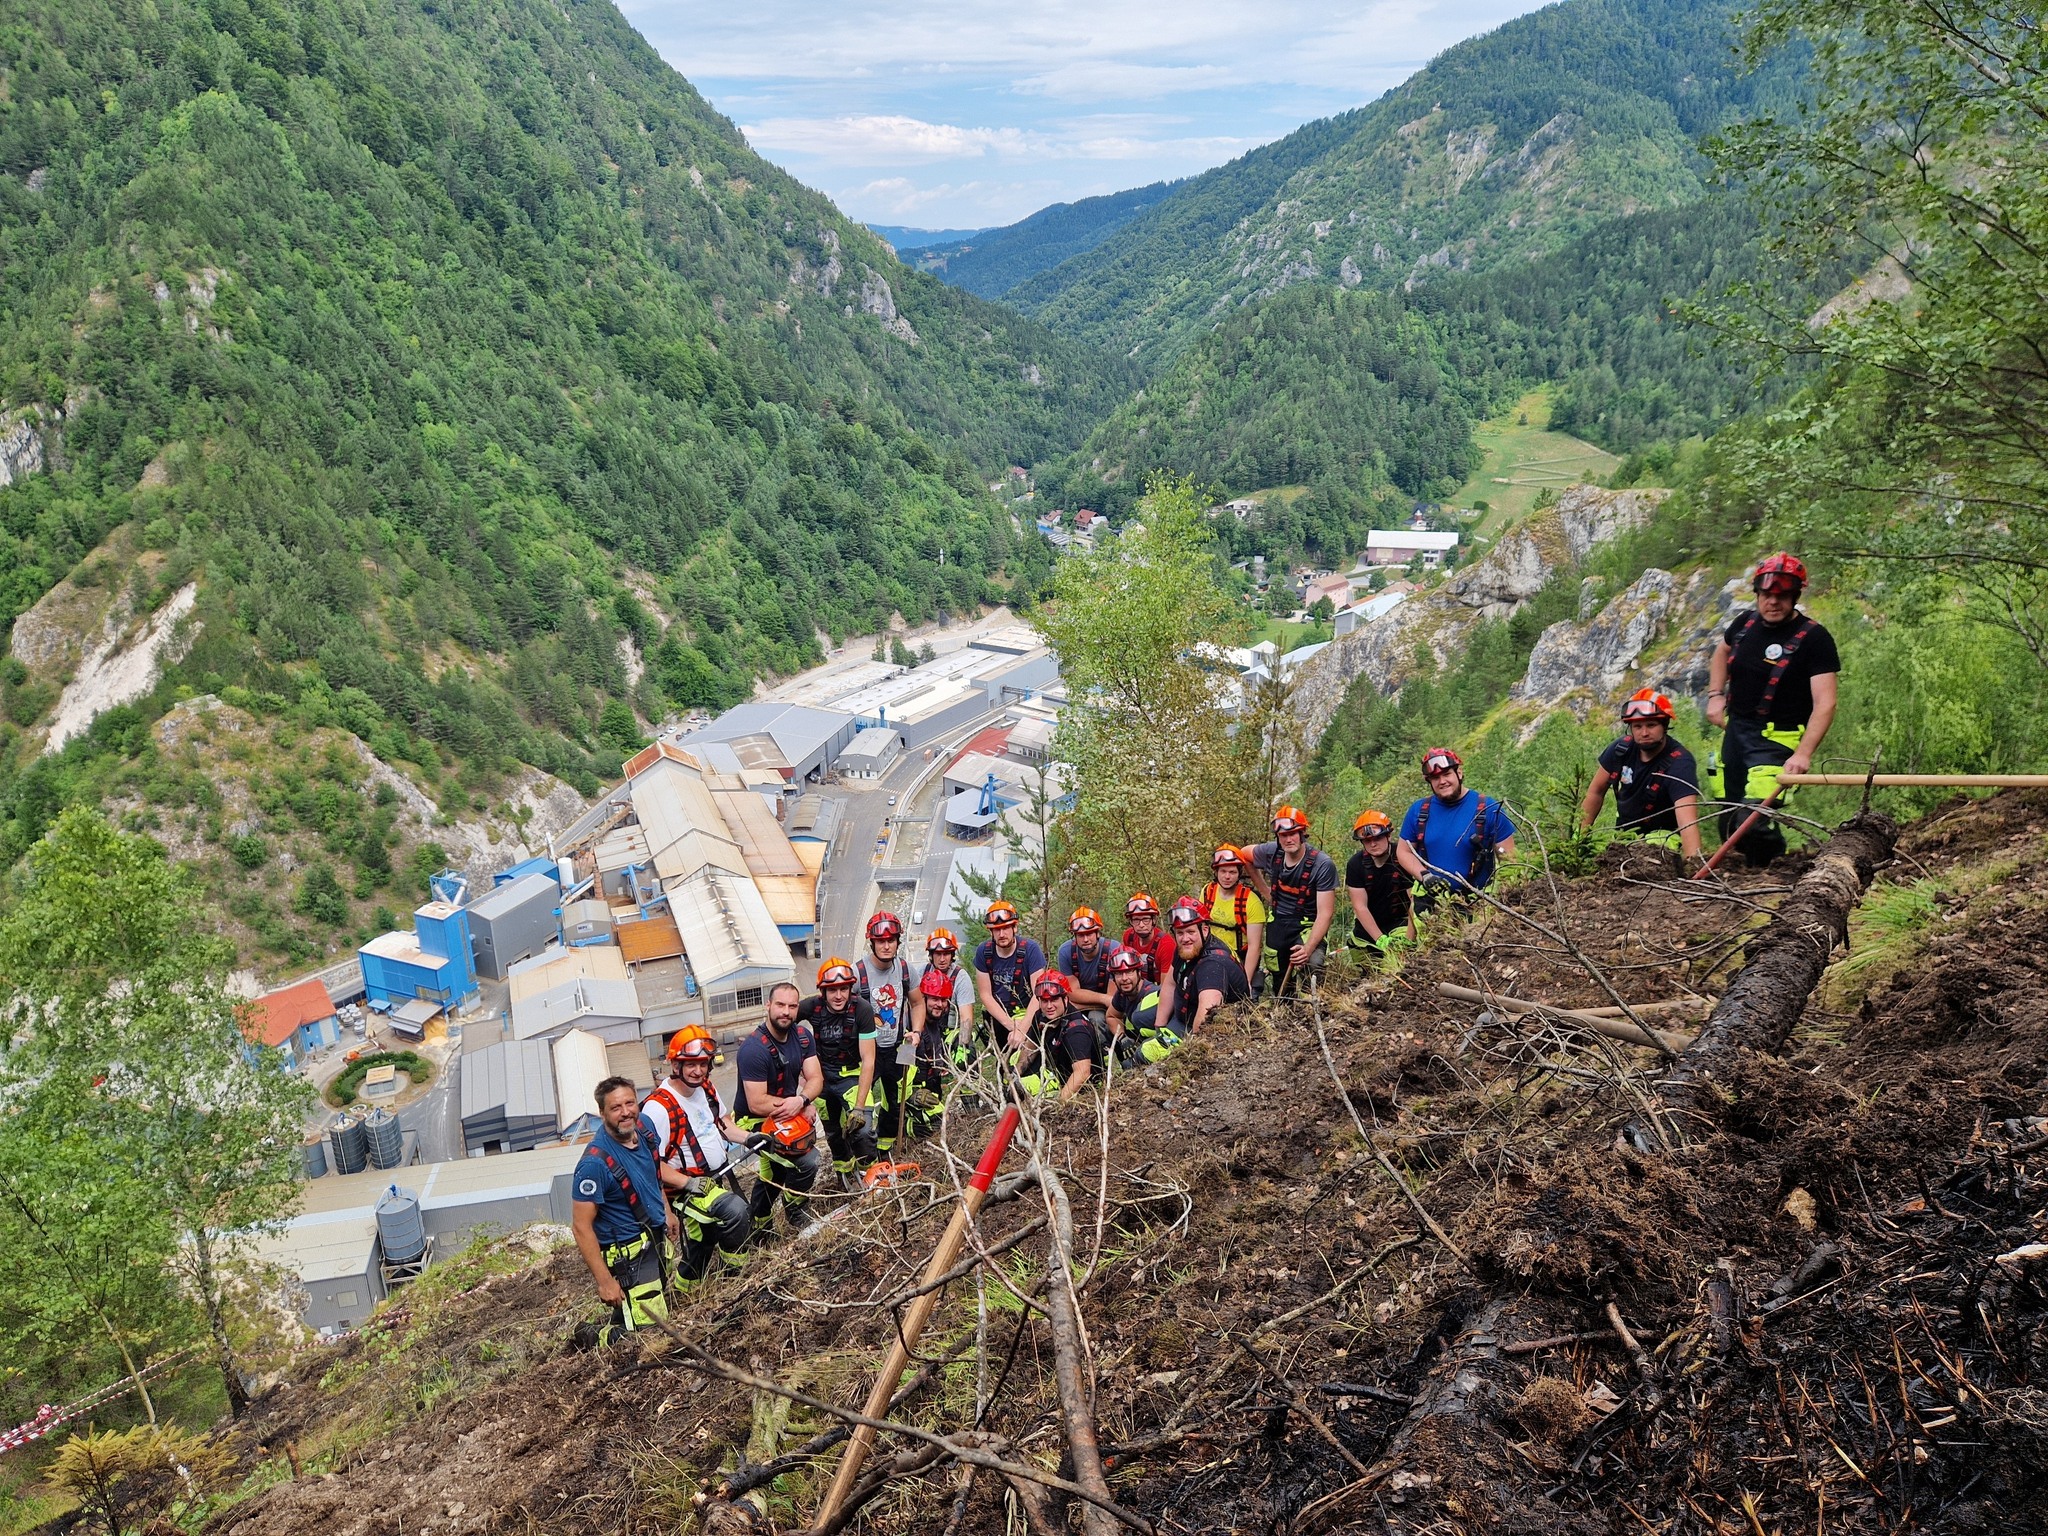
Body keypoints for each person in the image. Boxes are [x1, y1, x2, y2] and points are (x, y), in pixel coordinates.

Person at [1705, 553, 1840, 865]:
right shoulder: (1744, 624)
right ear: (1758, 594)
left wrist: (1803, 753)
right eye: (1767, 595)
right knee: (1728, 818)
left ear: (1795, 596)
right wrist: (1715, 695)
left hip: (1778, 739)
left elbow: (1826, 702)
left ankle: (1775, 870)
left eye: (1782, 596)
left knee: (1751, 820)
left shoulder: (1814, 638)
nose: (1774, 602)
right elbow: (1721, 653)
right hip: (1736, 731)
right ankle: (1743, 879)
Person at [640, 1027, 753, 1282]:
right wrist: (687, 1183)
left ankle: (700, 1284)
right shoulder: (658, 1108)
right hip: (687, 1190)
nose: (698, 1071)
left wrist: (749, 1137)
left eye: (703, 1064)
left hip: (714, 1179)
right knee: (735, 1213)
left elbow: (722, 1123)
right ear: (676, 1065)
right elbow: (651, 1163)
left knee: (706, 1241)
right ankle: (731, 1276)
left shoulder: (705, 1089)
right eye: (691, 1064)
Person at [571, 1077, 677, 1346]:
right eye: (616, 1107)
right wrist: (605, 1282)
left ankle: (623, 1316)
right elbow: (581, 1227)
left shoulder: (644, 1129)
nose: (626, 1111)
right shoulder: (594, 1164)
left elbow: (652, 1174)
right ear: (602, 1113)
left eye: (630, 1103)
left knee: (650, 1308)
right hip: (628, 1255)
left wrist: (666, 1210)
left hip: (653, 1239)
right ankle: (593, 1337)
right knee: (650, 1335)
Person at [733, 982, 825, 1237]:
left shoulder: (802, 1037)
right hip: (753, 1119)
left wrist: (804, 1099)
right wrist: (797, 1106)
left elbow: (815, 1078)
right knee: (806, 1160)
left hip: (786, 1110)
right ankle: (795, 1210)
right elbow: (757, 1102)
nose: (786, 1012)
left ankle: (760, 1224)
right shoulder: (754, 1050)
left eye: (792, 1006)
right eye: (780, 1005)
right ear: (768, 1006)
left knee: (775, 1172)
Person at [1580, 689, 1704, 861]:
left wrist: (1695, 863)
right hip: (1623, 840)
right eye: (1637, 726)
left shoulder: (1680, 762)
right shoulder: (1620, 750)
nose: (1644, 733)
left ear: (1665, 725)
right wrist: (1578, 840)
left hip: (1664, 844)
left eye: (1651, 725)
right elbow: (1595, 792)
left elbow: (1687, 821)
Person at [1396, 749, 1517, 907]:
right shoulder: (1418, 811)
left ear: (1459, 773)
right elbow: (1403, 851)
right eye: (1435, 778)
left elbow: (1510, 860)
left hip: (1479, 905)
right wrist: (1424, 875)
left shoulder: (1489, 809)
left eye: (1447, 774)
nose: (1442, 781)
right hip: (1433, 906)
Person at [796, 958, 880, 1180]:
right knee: (833, 1133)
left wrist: (860, 1107)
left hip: (851, 1076)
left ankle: (872, 1174)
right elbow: (782, 1024)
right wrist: (800, 1076)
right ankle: (845, 1176)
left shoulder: (862, 1010)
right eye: (832, 990)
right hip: (821, 1080)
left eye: (843, 989)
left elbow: (869, 1059)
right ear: (823, 992)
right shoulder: (811, 1007)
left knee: (862, 1130)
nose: (839, 995)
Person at [1247, 806, 1338, 995]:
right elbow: (1243, 855)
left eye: (1293, 834)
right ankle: (1284, 1009)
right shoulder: (1272, 853)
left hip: (1307, 925)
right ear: (1277, 837)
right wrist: (1265, 891)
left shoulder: (1322, 864)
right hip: (1278, 923)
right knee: (1279, 975)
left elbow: (1326, 913)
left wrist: (1308, 947)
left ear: (1303, 833)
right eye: (1283, 835)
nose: (1288, 839)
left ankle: (1312, 1005)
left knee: (1312, 963)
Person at [854, 912, 923, 1155]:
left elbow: (917, 1003)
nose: (886, 945)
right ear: (871, 942)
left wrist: (915, 1031)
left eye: (891, 940)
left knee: (894, 1103)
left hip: (896, 1048)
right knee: (860, 1105)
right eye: (881, 941)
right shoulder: (858, 974)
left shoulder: (905, 970)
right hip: (865, 1053)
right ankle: (862, 1154)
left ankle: (887, 1149)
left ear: (897, 942)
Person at [1158, 896, 1251, 1055]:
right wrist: (1159, 1026)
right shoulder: (1187, 948)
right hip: (1184, 1007)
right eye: (1180, 933)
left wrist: (1190, 1052)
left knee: (1144, 1053)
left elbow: (1205, 1018)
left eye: (1190, 932)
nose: (1185, 938)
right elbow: (1171, 983)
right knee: (1140, 1016)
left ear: (1205, 929)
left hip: (1193, 1026)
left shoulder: (1212, 964)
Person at [908, 928, 971, 1134]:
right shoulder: (919, 975)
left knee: (968, 1055)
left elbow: (966, 1018)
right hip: (911, 1082)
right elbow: (899, 1070)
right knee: (933, 1124)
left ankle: (973, 1110)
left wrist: (962, 1047)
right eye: (938, 954)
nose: (942, 958)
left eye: (946, 954)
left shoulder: (960, 978)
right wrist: (912, 1095)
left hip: (948, 1034)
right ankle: (910, 1125)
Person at [973, 900, 1047, 1052]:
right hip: (1000, 1017)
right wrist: (1010, 1025)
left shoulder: (1031, 950)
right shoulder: (984, 952)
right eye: (997, 930)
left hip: (1029, 1013)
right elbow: (985, 994)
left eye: (1006, 928)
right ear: (991, 931)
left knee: (1031, 1056)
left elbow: (1038, 993)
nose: (1001, 934)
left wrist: (1022, 1027)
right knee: (1005, 1061)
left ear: (1015, 927)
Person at [1014, 973, 1098, 1103]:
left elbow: (1082, 1073)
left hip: (1078, 1086)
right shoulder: (1040, 1017)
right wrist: (1015, 1075)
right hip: (1054, 1071)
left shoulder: (1077, 1029)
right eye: (1044, 1001)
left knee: (1026, 1088)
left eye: (1054, 1000)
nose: (1049, 1006)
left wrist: (1059, 1104)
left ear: (1065, 999)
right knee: (1014, 1071)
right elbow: (1029, 1049)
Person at [1345, 810, 1414, 951]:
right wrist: (1380, 939)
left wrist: (1409, 939)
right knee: (1363, 964)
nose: (1373, 844)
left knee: (1402, 956)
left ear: (1388, 835)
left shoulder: (1403, 857)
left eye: (1377, 839)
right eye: (1368, 841)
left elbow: (1414, 900)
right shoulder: (1355, 864)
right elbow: (1360, 907)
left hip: (1401, 922)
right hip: (1368, 925)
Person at [1201, 848, 1267, 985]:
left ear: (1239, 874)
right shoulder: (1207, 892)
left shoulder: (1251, 901)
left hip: (1238, 961)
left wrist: (1245, 981)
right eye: (1223, 871)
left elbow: (1255, 946)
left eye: (1232, 872)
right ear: (1216, 872)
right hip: (1209, 956)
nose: (1227, 877)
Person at [1053, 907, 1121, 1023]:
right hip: (1090, 1003)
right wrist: (1102, 999)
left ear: (1097, 933)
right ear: (1074, 936)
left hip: (1107, 1008)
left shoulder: (1113, 950)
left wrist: (1081, 1003)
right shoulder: (1065, 952)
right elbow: (1072, 993)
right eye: (1080, 935)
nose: (1085, 939)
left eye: (1089, 934)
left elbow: (1112, 999)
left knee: (1096, 1019)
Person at [1103, 947, 1161, 1067]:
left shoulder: (1153, 994)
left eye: (1129, 972)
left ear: (1139, 973)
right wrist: (1122, 1037)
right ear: (1113, 977)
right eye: (1119, 973)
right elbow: (1111, 1016)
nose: (1124, 979)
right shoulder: (1121, 994)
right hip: (1137, 1042)